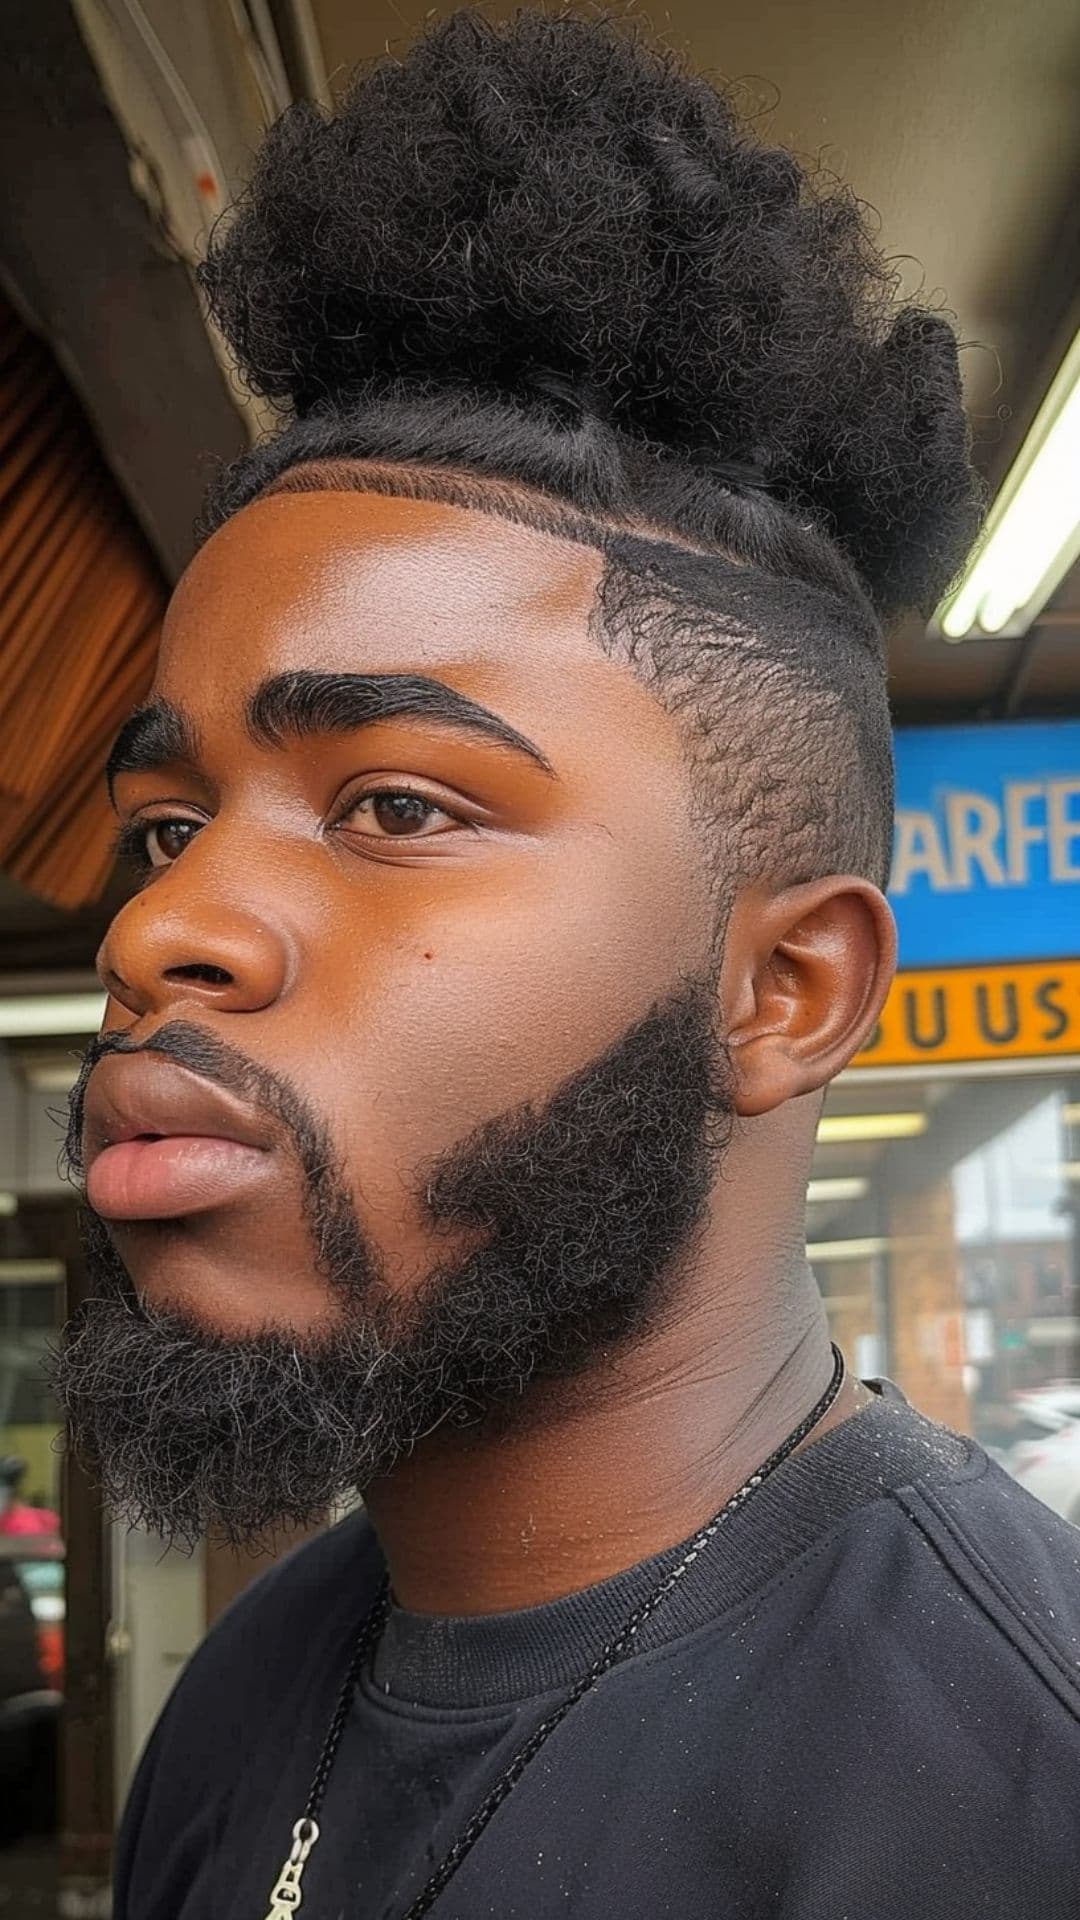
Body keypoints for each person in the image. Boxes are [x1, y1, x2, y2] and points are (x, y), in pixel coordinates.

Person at [54, 12, 1079, 1918]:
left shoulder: (1015, 1792)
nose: (153, 929)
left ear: (784, 993)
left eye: (396, 808)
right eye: (171, 826)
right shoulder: (244, 1703)